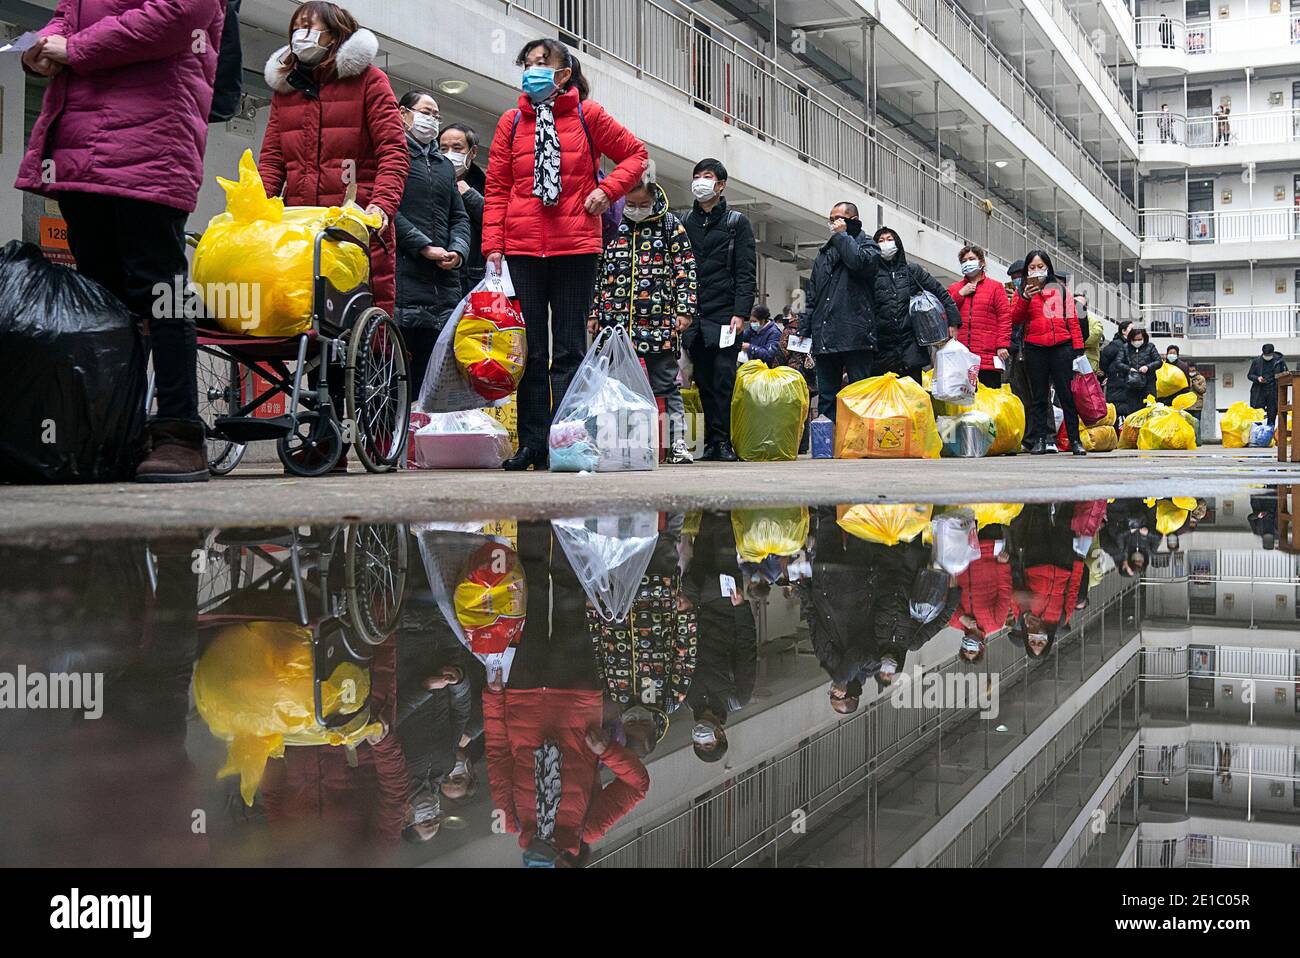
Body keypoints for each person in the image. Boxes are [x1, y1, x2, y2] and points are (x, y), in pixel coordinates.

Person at [15, 0, 228, 482]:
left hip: (151, 147)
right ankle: (111, 430)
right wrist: (41, 48)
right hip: (77, 150)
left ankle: (178, 433)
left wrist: (74, 48)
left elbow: (175, 18)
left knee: (161, 293)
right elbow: (66, 17)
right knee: (100, 297)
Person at [483, 37, 648, 471]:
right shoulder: (511, 122)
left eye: (543, 63)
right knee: (532, 351)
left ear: (564, 73)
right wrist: (493, 246)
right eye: (527, 63)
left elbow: (635, 155)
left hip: (576, 246)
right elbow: (497, 186)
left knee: (571, 349)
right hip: (522, 247)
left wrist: (607, 190)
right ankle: (533, 443)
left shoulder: (587, 115)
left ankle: (567, 440)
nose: (532, 70)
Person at [260, 3, 407, 316]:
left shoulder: (370, 80)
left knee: (352, 320)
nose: (302, 35)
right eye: (297, 28)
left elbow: (393, 150)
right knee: (297, 317)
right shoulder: (286, 90)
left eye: (311, 28)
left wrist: (381, 207)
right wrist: (256, 207)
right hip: (299, 224)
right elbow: (273, 159)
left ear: (336, 35)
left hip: (355, 222)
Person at [588, 176, 696, 464]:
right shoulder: (611, 223)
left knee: (665, 385)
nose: (636, 209)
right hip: (615, 322)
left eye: (643, 204)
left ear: (654, 198)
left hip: (659, 321)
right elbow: (596, 271)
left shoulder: (670, 225)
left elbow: (686, 269)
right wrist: (594, 311)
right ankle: (614, 443)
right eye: (631, 204)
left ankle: (677, 443)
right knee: (613, 386)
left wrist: (684, 310)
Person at [393, 90, 470, 395]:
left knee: (434, 380)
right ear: (403, 114)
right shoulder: (393, 156)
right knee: (401, 378)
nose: (432, 121)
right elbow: (387, 210)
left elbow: (459, 217)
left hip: (444, 285)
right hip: (404, 280)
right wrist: (422, 246)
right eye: (427, 112)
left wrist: (458, 251)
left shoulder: (443, 167)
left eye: (437, 116)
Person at [682, 158, 757, 462]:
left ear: (721, 184)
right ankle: (711, 442)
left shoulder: (736, 223)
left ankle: (724, 441)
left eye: (708, 176)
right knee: (702, 378)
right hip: (695, 316)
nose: (701, 181)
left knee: (723, 377)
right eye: (697, 176)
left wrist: (741, 311)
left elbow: (745, 272)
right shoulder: (685, 221)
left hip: (726, 316)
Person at [801, 203, 880, 417]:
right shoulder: (825, 253)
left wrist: (842, 236)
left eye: (840, 218)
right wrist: (805, 326)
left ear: (853, 219)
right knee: (827, 396)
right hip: (826, 335)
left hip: (857, 334)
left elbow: (858, 263)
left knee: (859, 394)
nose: (834, 223)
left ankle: (859, 445)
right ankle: (827, 446)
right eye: (831, 218)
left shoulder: (868, 246)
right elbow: (813, 292)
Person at [1009, 250, 1087, 455]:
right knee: (1039, 397)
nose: (1037, 271)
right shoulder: (1021, 292)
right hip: (1035, 347)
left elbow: (1073, 321)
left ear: (1048, 268)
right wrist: (1025, 297)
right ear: (1027, 270)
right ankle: (1041, 440)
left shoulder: (1060, 290)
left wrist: (1078, 349)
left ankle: (1075, 441)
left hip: (1062, 346)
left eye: (1041, 267)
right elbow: (1014, 318)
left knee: (1066, 395)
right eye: (1032, 267)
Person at [870, 226, 960, 382]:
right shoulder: (871, 273)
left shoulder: (912, 270)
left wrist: (954, 321)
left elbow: (940, 292)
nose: (886, 244)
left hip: (910, 346)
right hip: (882, 348)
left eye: (890, 240)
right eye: (881, 241)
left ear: (898, 244)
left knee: (912, 398)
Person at [947, 244, 1011, 389]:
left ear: (981, 262)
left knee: (988, 401)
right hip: (961, 354)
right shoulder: (954, 289)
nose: (967, 263)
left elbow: (1004, 317)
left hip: (987, 356)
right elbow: (945, 314)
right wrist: (960, 295)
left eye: (971, 259)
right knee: (962, 403)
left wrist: (1002, 344)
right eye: (964, 261)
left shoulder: (995, 287)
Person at [438, 122, 486, 297]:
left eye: (457, 148)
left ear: (472, 152)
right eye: (443, 149)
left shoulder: (487, 186)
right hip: (436, 272)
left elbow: (496, 223)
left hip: (471, 278)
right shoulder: (428, 181)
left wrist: (470, 196)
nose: (449, 154)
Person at [1108, 326, 1163, 417]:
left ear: (1144, 338)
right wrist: (1128, 369)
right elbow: (1118, 362)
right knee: (1133, 412)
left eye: (1140, 339)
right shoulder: (1125, 348)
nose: (1137, 341)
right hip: (1131, 384)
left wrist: (1147, 367)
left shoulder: (1150, 347)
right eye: (1135, 339)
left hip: (1148, 384)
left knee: (1150, 410)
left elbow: (1158, 362)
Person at [1249, 344, 1287, 425]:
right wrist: (1257, 378)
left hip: (1273, 391)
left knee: (1272, 414)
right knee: (1258, 415)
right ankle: (1258, 434)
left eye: (1269, 355)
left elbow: (1286, 374)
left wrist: (1278, 376)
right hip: (1259, 392)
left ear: (1273, 353)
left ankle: (1270, 432)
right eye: (1265, 355)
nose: (1267, 357)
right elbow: (1250, 375)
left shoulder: (1279, 361)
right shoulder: (1256, 361)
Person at [1100, 319, 1133, 403]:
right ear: (1123, 331)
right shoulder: (1117, 345)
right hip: (1117, 384)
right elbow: (1104, 359)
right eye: (1131, 329)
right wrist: (1108, 374)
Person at [1075, 291, 1103, 372]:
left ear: (1086, 306)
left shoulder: (1094, 322)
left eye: (1080, 304)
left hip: (1087, 363)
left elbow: (1092, 338)